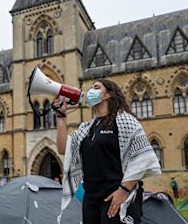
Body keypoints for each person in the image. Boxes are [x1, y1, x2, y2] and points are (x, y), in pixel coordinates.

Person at [55, 79, 161, 224]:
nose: (91, 91)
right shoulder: (86, 128)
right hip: (91, 198)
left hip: (115, 196)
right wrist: (61, 116)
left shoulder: (126, 121)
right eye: (91, 88)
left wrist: (123, 191)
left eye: (96, 87)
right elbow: (63, 149)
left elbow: (142, 159)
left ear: (108, 95)